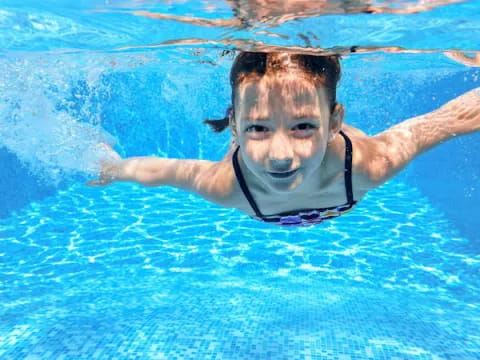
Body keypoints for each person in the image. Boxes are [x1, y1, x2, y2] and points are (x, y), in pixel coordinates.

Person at [88, 52, 479, 227]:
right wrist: (112, 168)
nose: (280, 156)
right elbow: (161, 171)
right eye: (258, 128)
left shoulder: (369, 164)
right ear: (235, 128)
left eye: (303, 127)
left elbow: (447, 120)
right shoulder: (229, 186)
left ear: (333, 123)